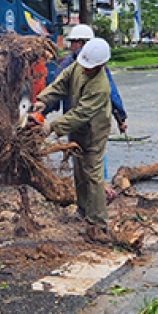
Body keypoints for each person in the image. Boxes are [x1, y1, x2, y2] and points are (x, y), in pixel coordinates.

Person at [35, 37, 115, 238]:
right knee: (79, 170)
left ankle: (98, 223)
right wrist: (43, 101)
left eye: (90, 67)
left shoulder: (100, 86)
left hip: (94, 132)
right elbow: (61, 83)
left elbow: (81, 113)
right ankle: (82, 210)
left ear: (101, 64)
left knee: (93, 174)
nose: (85, 69)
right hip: (77, 128)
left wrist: (52, 126)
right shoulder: (80, 63)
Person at [54, 24, 127, 135]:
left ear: (81, 43)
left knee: (75, 149)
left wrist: (41, 112)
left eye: (73, 42)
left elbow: (54, 90)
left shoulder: (65, 65)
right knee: (93, 149)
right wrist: (121, 119)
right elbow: (112, 94)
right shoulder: (98, 64)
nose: (70, 46)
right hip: (92, 123)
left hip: (71, 123)